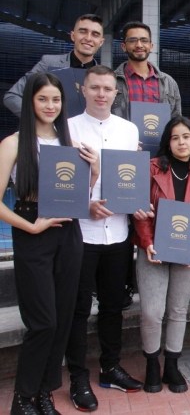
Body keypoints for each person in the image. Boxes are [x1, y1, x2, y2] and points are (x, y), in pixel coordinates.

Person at [0, 73, 99, 415]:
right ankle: (22, 399)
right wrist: (30, 225)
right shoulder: (13, 144)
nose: (50, 106)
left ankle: (44, 392)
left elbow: (77, 197)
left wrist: (95, 174)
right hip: (34, 233)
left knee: (62, 319)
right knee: (42, 322)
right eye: (43, 99)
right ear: (30, 102)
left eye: (56, 100)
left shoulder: (68, 144)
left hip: (69, 234)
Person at [65, 65, 143, 412]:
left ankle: (110, 367)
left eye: (107, 89)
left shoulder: (129, 130)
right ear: (83, 89)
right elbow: (59, 186)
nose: (101, 94)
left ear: (116, 93)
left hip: (119, 234)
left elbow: (132, 181)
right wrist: (86, 205)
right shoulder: (66, 129)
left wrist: (137, 204)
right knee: (78, 309)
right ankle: (79, 375)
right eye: (95, 87)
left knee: (114, 305)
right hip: (81, 234)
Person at [133, 116, 190, 394]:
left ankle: (172, 365)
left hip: (187, 249)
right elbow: (141, 209)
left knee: (178, 310)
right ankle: (152, 363)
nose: (181, 142)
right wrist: (147, 241)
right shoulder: (152, 168)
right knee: (152, 312)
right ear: (167, 142)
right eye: (175, 137)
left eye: (186, 137)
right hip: (153, 249)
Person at [3, 14, 104, 117]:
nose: (88, 38)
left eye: (95, 34)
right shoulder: (49, 63)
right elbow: (12, 96)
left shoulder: (104, 76)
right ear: (73, 35)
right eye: (83, 31)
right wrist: (38, 121)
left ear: (101, 42)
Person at [112, 21, 182, 120]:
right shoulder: (112, 81)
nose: (139, 45)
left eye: (144, 40)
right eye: (132, 40)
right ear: (124, 47)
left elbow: (176, 119)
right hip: (122, 135)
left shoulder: (169, 83)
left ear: (151, 46)